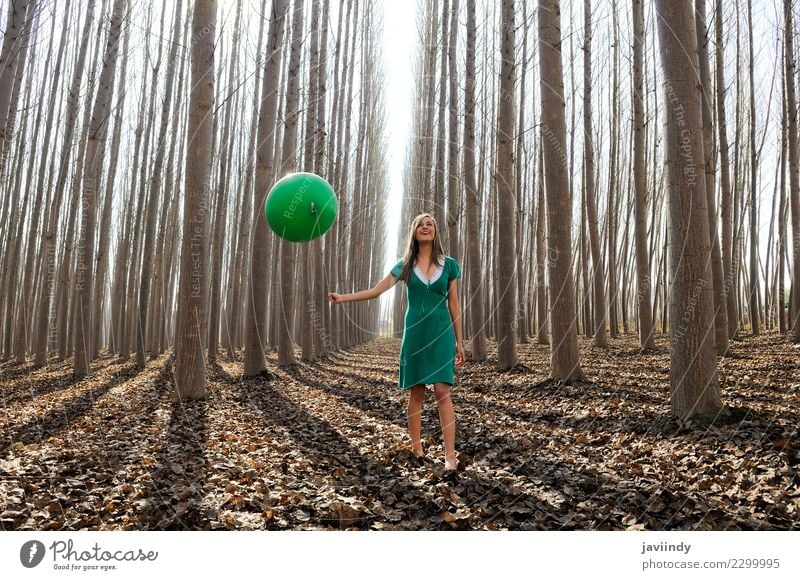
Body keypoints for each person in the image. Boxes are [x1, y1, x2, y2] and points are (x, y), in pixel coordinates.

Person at [328, 213, 465, 472]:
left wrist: (459, 340)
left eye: (430, 225)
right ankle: (417, 447)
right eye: (420, 225)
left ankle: (450, 455)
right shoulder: (404, 265)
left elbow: (454, 303)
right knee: (417, 392)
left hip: (441, 334)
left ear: (435, 232)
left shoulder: (450, 265)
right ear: (414, 233)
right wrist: (342, 298)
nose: (425, 228)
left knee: (442, 392)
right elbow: (376, 290)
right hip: (414, 335)